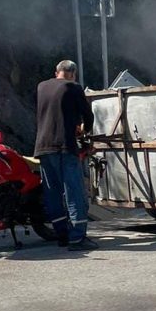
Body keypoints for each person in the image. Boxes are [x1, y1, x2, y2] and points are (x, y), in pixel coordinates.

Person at [34, 59, 98, 251]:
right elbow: (88, 116)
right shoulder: (73, 87)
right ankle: (77, 238)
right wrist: (85, 131)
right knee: (74, 191)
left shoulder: (41, 87)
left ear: (56, 72)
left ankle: (62, 234)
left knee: (52, 192)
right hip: (65, 146)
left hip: (43, 147)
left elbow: (51, 113)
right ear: (73, 74)